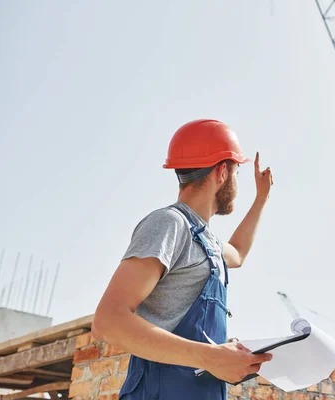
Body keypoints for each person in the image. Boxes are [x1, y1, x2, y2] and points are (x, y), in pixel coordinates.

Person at [92, 119, 274, 399]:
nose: (237, 181)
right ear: (222, 172)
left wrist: (261, 199)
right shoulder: (169, 224)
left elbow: (237, 253)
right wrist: (210, 357)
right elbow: (108, 322)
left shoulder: (206, 240)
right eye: (237, 171)